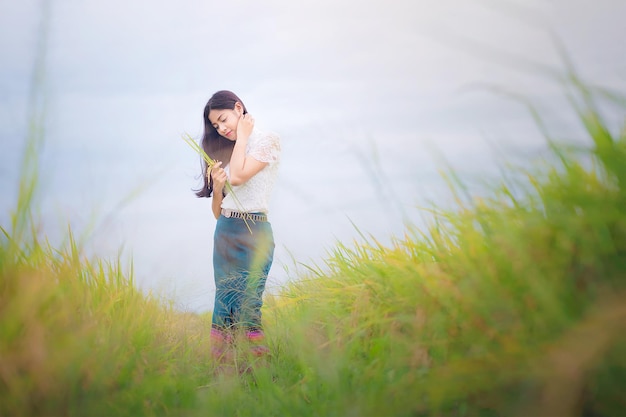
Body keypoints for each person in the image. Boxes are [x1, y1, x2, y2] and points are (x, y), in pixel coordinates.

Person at [194, 90, 280, 359]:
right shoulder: (230, 151)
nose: (221, 129)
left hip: (255, 232)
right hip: (226, 232)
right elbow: (219, 212)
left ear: (238, 108)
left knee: (249, 306)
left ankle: (258, 376)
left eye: (223, 120)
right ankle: (224, 377)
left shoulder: (267, 140)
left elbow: (241, 176)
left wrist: (242, 136)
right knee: (224, 305)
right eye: (216, 126)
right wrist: (218, 188)